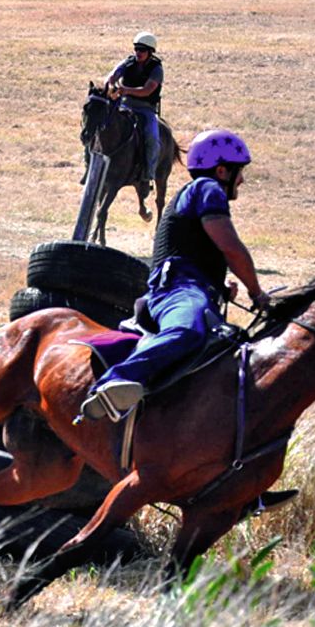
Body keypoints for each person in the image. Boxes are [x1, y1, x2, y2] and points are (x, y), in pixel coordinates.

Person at [79, 129, 270, 422]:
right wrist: (257, 293)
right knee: (187, 332)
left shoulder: (198, 193)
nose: (242, 180)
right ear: (222, 170)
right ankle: (114, 383)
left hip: (190, 289)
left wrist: (218, 287)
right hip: (179, 291)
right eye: (239, 171)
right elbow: (231, 248)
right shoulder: (208, 188)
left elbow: (195, 251)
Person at [104, 32, 164, 184]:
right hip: (124, 104)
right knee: (99, 124)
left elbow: (147, 90)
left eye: (142, 50)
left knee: (152, 137)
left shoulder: (157, 69)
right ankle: (90, 163)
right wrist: (112, 85)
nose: (138, 52)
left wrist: (126, 90)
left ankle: (149, 172)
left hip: (145, 109)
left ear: (150, 52)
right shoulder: (128, 63)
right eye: (136, 49)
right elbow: (111, 77)